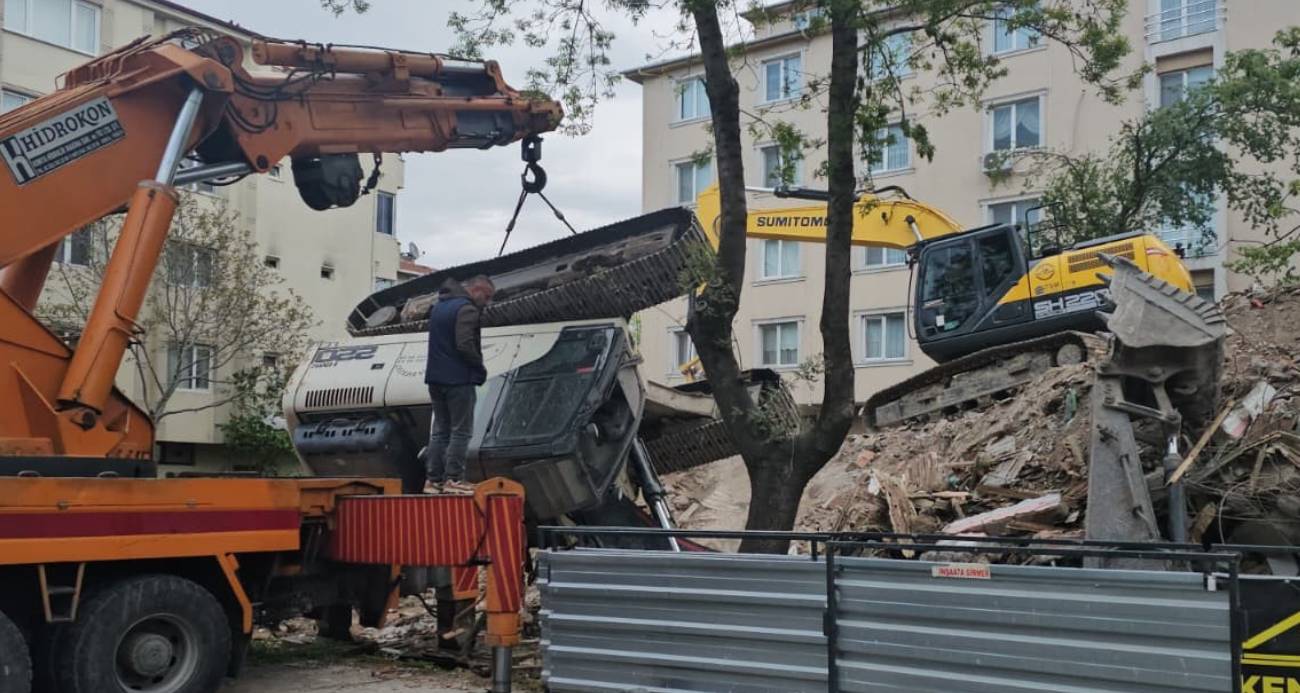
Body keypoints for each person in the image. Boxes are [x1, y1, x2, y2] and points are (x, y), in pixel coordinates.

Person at [423, 274, 495, 494]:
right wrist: (478, 368)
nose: (488, 302)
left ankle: (432, 481)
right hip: (458, 379)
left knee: (440, 432)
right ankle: (454, 479)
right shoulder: (467, 309)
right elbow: (464, 344)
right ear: (477, 290)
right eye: (488, 296)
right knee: (461, 431)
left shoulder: (438, 307)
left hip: (435, 378)